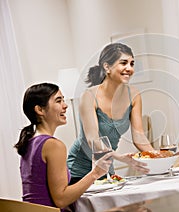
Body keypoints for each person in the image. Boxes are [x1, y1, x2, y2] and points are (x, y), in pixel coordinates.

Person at [14, 83, 113, 211]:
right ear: (40, 110)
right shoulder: (53, 145)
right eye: (58, 101)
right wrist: (95, 173)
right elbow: (61, 199)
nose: (65, 106)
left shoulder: (29, 142)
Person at [67, 43, 154, 184]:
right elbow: (93, 140)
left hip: (106, 165)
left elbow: (139, 136)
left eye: (132, 64)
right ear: (107, 67)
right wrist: (119, 157)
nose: (129, 68)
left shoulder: (134, 95)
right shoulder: (89, 96)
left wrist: (157, 156)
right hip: (80, 169)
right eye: (123, 63)